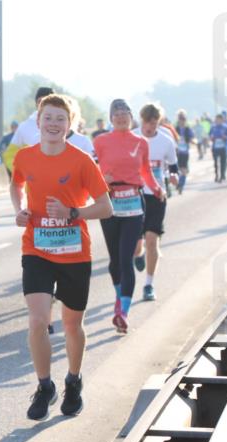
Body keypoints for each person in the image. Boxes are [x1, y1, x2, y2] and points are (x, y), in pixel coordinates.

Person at [11, 94, 113, 421]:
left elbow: (106, 207)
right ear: (38, 122)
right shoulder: (25, 157)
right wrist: (20, 211)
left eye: (60, 119)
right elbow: (16, 186)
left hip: (74, 252)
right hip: (37, 249)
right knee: (38, 320)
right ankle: (44, 387)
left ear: (70, 126)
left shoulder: (82, 161)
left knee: (72, 324)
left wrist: (73, 212)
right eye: (48, 118)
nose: (53, 124)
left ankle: (73, 380)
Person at [93, 99, 162, 334]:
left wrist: (157, 188)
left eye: (125, 113)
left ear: (131, 117)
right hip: (110, 204)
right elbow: (94, 172)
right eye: (117, 113)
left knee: (126, 259)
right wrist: (104, 180)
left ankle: (123, 311)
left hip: (133, 202)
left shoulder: (141, 142)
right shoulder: (100, 141)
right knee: (114, 260)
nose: (121, 116)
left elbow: (146, 171)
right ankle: (119, 296)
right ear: (111, 118)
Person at [133, 104, 178, 302]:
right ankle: (138, 253)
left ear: (158, 122)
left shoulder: (166, 141)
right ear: (141, 120)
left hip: (157, 195)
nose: (149, 127)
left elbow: (174, 165)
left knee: (152, 240)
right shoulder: (132, 137)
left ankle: (149, 284)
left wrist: (174, 176)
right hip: (133, 195)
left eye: (153, 123)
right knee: (137, 245)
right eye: (146, 123)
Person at [3, 85, 54, 173]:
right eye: (40, 101)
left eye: (49, 101)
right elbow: (9, 155)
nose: (44, 105)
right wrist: (22, 173)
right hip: (34, 184)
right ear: (36, 103)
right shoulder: (24, 127)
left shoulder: (66, 125)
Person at [173, 110, 194, 193]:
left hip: (185, 152)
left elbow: (192, 137)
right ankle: (179, 183)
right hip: (177, 152)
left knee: (184, 170)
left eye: (183, 119)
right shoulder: (175, 128)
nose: (182, 121)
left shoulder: (188, 129)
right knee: (177, 170)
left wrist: (190, 141)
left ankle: (181, 185)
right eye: (180, 119)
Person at [209, 113, 227, 183]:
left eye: (219, 119)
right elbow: (209, 135)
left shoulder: (226, 127)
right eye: (217, 119)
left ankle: (222, 175)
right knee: (216, 162)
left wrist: (225, 137)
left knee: (223, 162)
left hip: (223, 147)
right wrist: (211, 138)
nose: (218, 121)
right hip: (215, 147)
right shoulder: (213, 127)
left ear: (222, 120)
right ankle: (216, 175)